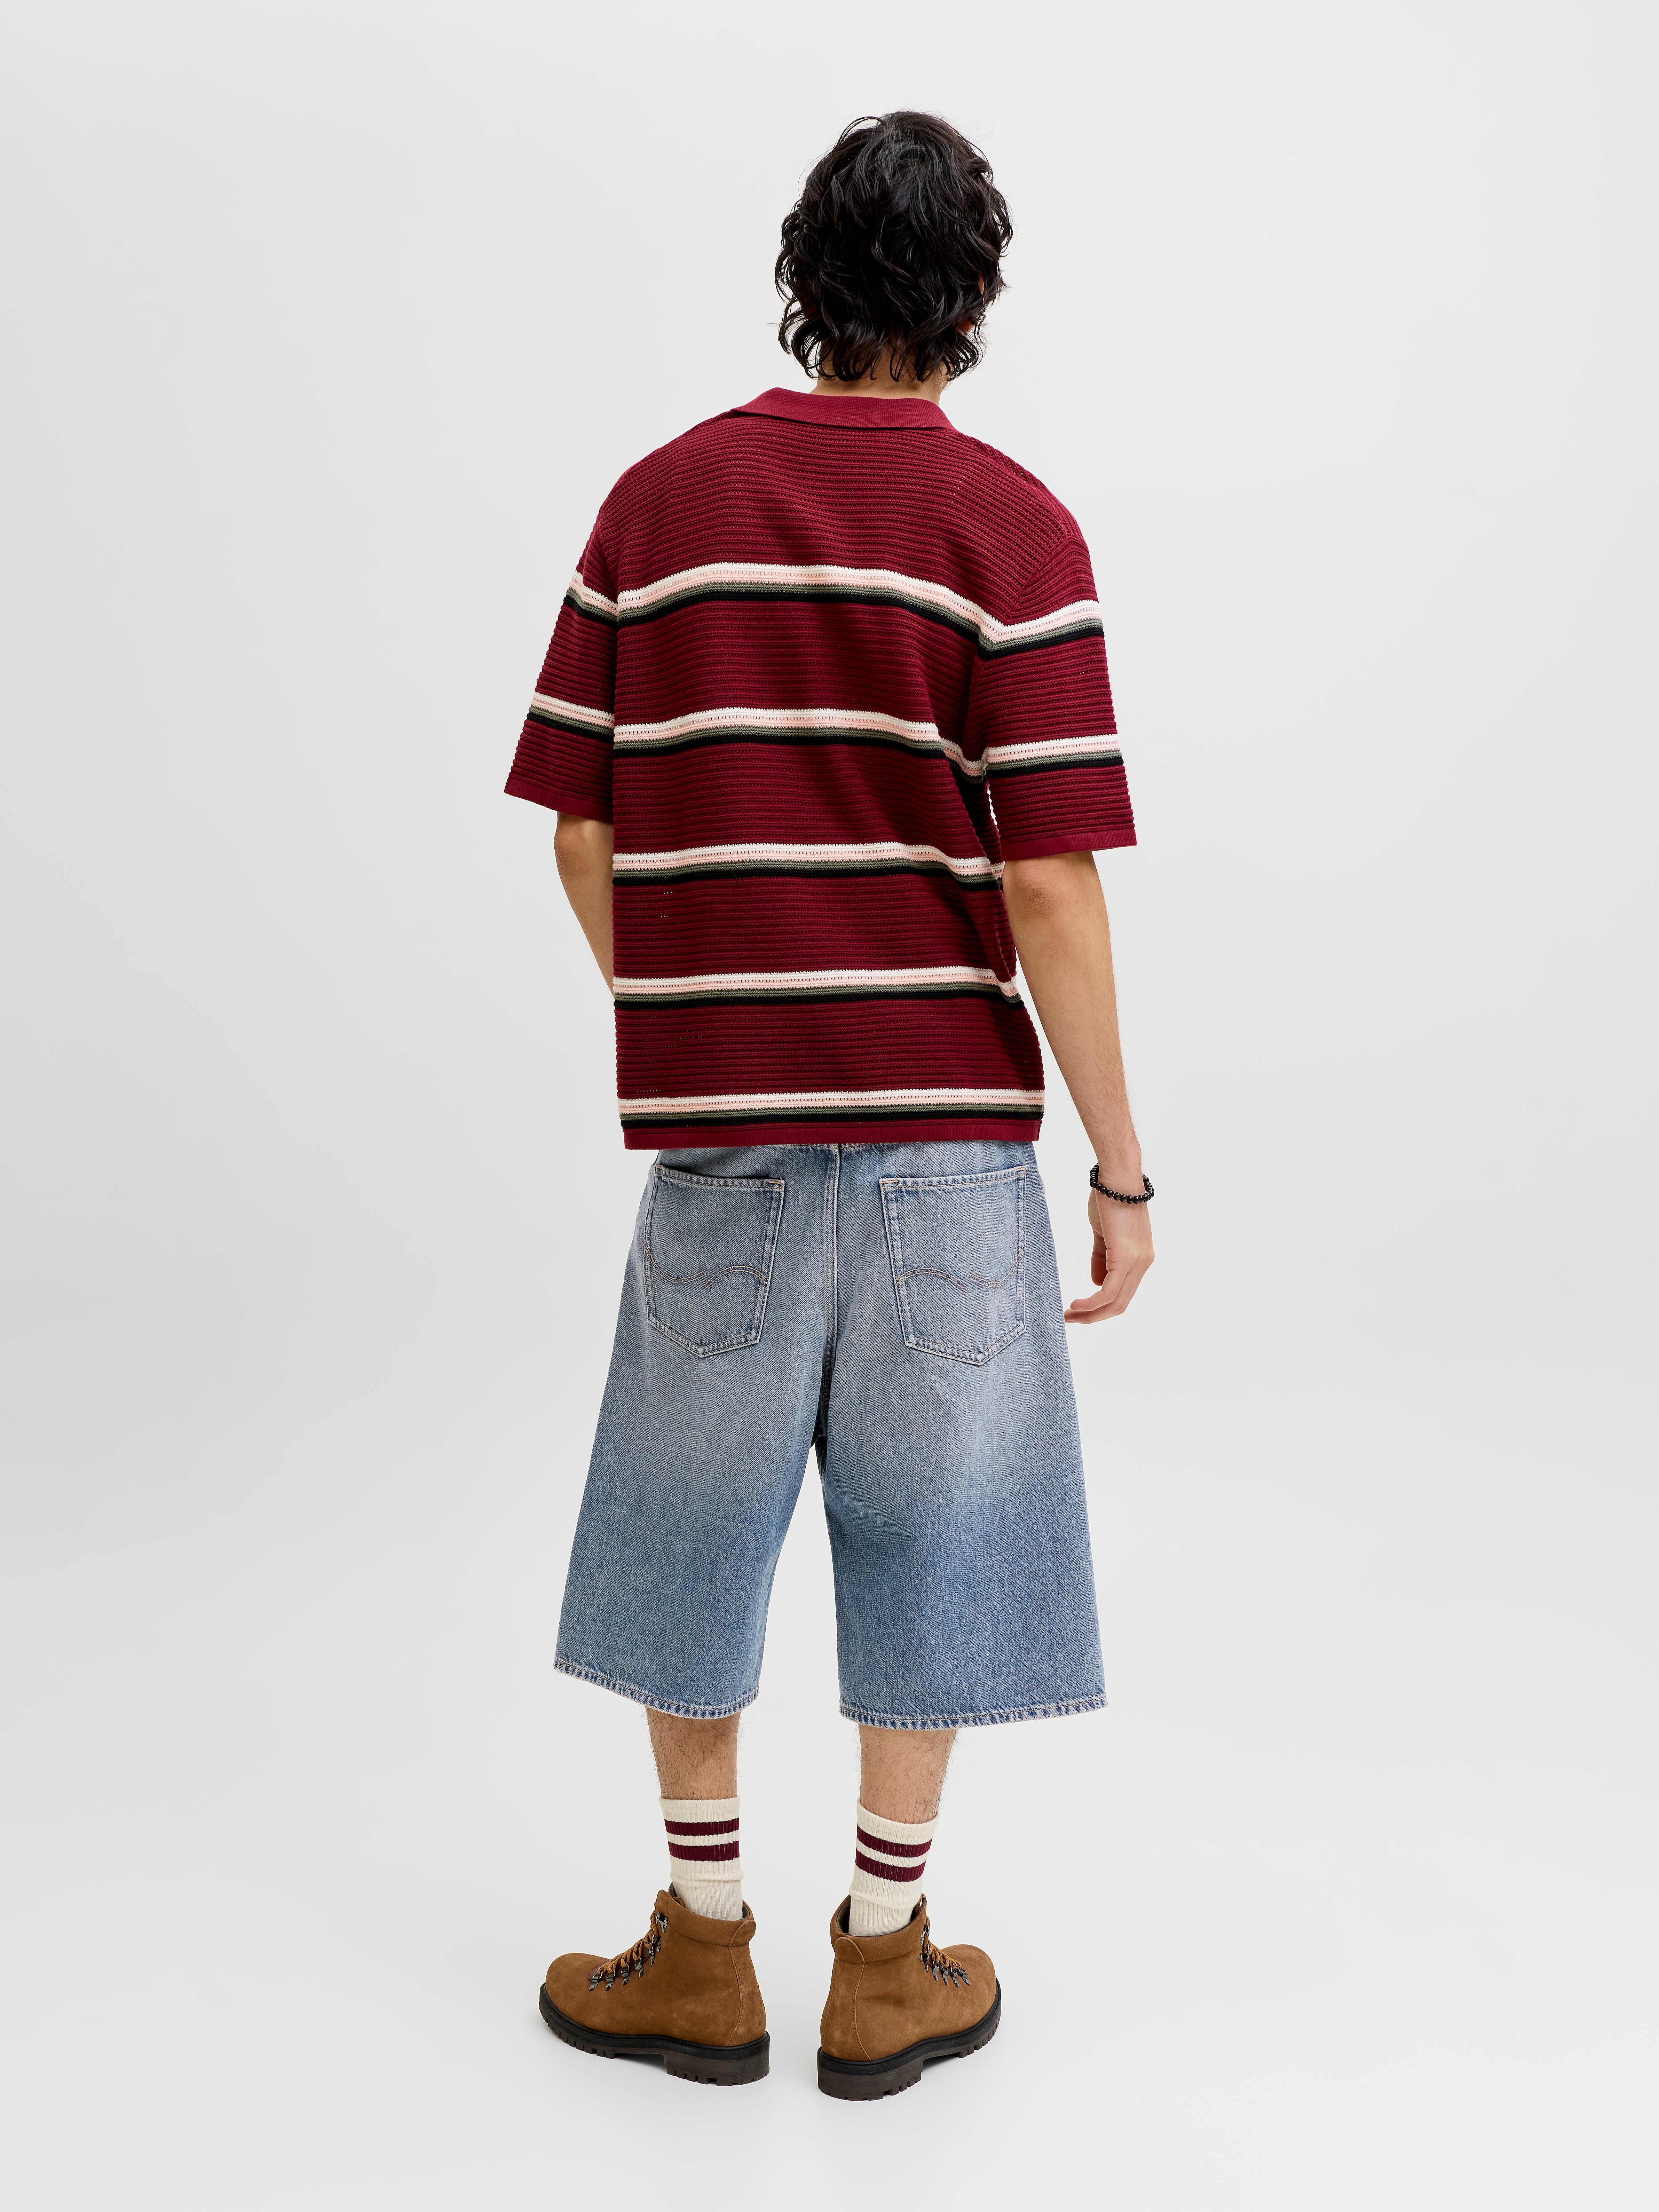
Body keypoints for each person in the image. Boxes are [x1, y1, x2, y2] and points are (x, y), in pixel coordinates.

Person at [505, 110, 1153, 2100]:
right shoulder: (1014, 531)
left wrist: (702, 1010)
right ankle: (886, 1961)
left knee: (688, 1531)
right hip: (952, 1151)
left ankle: (703, 1949)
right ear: (972, 299)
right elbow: (1050, 879)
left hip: (723, 1147)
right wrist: (1124, 1167)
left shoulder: (658, 504)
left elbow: (581, 827)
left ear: (806, 279)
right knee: (935, 1535)